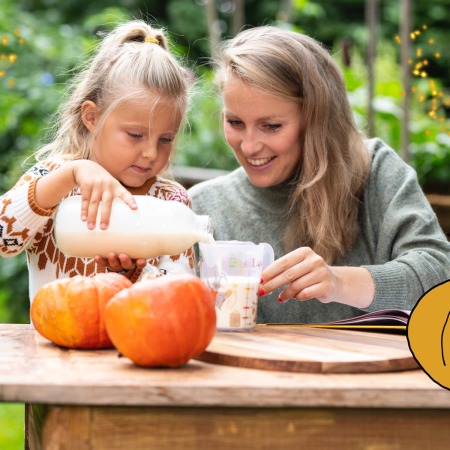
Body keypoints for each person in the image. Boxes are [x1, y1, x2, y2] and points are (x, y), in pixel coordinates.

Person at [189, 25, 450, 324]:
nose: (248, 146)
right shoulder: (203, 209)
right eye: (235, 122)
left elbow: (439, 274)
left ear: (317, 121)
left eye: (271, 126)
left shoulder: (377, 170)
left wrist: (338, 282)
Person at [0, 20, 194, 302]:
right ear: (91, 117)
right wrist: (69, 175)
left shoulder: (171, 201)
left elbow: (181, 297)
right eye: (136, 135)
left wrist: (134, 275)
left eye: (165, 139)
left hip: (132, 346)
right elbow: (3, 239)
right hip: (53, 344)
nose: (152, 153)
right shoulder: (54, 177)